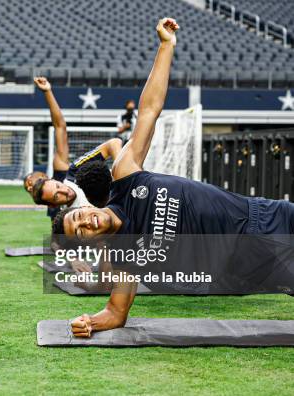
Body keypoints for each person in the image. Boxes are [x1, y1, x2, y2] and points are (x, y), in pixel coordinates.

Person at [53, 18, 289, 337]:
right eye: (80, 232)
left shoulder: (125, 177)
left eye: (80, 216)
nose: (86, 223)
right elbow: (115, 312)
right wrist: (89, 323)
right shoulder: (125, 257)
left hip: (260, 213)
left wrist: (166, 46)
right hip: (249, 261)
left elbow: (149, 110)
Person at [24, 77, 122, 216]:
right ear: (52, 204)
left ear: (50, 178)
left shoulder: (71, 172)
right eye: (57, 196)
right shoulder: (69, 219)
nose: (64, 191)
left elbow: (60, 127)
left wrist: (124, 180)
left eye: (58, 186)